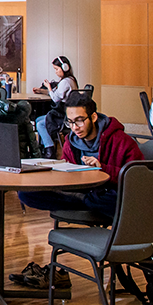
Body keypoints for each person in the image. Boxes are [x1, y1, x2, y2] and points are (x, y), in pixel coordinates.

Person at [16, 94, 141, 225]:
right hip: (82, 192)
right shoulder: (70, 142)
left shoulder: (121, 140)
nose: (75, 127)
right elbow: (67, 174)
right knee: (26, 194)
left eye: (79, 120)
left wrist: (102, 168)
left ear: (93, 117)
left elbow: (137, 179)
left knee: (112, 199)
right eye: (70, 122)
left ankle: (86, 201)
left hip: (110, 193)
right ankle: (86, 201)